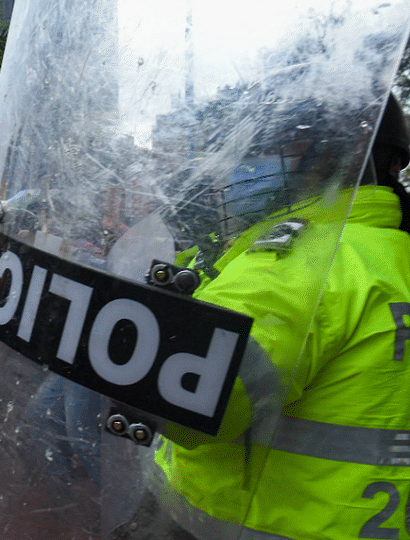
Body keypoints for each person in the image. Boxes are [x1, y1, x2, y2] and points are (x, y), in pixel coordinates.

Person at [114, 96, 410, 539]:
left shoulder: (301, 261)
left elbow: (182, 395)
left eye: (267, 148)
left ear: (334, 154)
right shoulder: (389, 255)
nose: (242, 168)